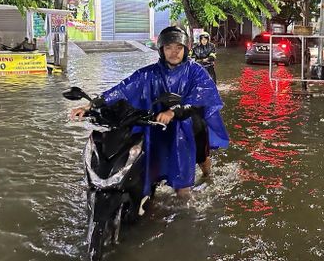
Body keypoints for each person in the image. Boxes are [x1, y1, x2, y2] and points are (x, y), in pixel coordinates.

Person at [70, 26, 229, 198]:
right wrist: (92, 105)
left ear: (186, 49)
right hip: (155, 125)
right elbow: (123, 88)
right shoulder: (149, 73)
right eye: (169, 48)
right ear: (161, 50)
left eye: (178, 48)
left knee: (185, 186)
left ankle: (205, 179)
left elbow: (200, 97)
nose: (174, 52)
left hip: (187, 126)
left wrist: (174, 111)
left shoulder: (196, 71)